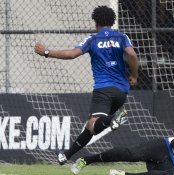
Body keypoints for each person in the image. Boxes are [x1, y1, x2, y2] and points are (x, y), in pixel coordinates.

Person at [34, 5, 139, 165]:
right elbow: (131, 54)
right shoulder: (122, 37)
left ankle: (114, 118)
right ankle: (66, 156)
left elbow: (72, 54)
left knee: (92, 125)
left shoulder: (93, 39)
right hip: (121, 92)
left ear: (96, 22)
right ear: (112, 22)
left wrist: (47, 52)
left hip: (103, 90)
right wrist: (134, 75)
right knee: (92, 125)